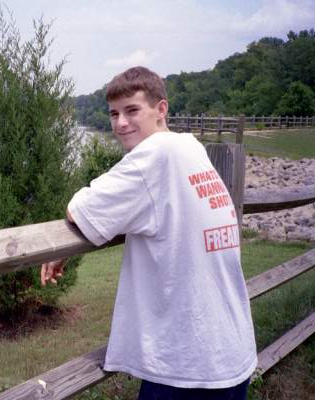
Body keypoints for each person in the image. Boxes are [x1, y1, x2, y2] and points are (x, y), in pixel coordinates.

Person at [41, 66, 257, 399]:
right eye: (113, 113)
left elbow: (79, 209)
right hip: (230, 353)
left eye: (132, 110)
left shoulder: (155, 154)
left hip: (186, 367)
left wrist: (64, 246)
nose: (120, 123)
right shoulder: (190, 148)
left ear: (161, 110)